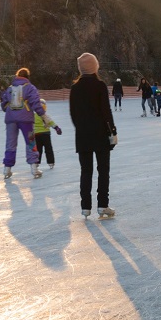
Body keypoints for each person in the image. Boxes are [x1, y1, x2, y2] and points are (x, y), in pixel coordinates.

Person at [69, 52, 117, 219]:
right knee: (103, 171)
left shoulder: (74, 89)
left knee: (86, 171)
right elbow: (106, 112)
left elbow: (73, 114)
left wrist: (81, 129)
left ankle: (85, 207)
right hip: (101, 135)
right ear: (94, 66)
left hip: (82, 136)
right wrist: (113, 131)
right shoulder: (100, 86)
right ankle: (102, 205)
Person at [0, 67, 53, 179]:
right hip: (26, 120)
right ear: (27, 77)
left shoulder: (10, 88)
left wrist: (11, 111)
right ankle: (34, 168)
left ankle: (7, 169)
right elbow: (36, 103)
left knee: (10, 144)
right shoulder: (30, 87)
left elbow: (4, 104)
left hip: (11, 120)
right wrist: (42, 114)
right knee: (31, 142)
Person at [33, 98, 63, 169]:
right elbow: (51, 122)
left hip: (36, 134)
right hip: (45, 134)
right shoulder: (45, 115)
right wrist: (56, 128)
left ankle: (36, 163)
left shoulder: (33, 115)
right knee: (48, 149)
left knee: (38, 150)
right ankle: (51, 162)